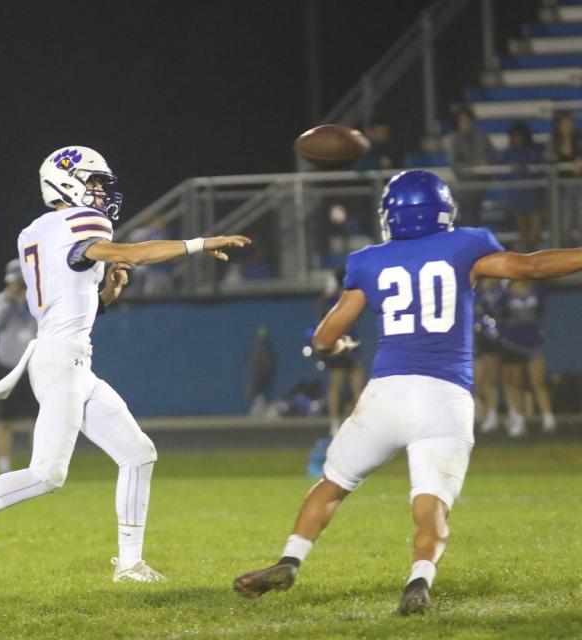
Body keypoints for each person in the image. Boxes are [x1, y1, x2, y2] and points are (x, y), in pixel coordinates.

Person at [232, 170, 582, 615]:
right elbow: (530, 267)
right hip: (445, 396)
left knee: (333, 484)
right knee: (430, 500)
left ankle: (290, 559)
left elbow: (324, 338)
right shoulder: (467, 245)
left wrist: (339, 345)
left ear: (391, 214)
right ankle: (419, 580)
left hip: (387, 395)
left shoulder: (369, 261)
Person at [0, 145, 249, 585]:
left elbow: (66, 301)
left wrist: (106, 296)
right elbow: (137, 253)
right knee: (47, 475)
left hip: (68, 358)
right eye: (94, 182)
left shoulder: (34, 231)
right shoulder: (80, 221)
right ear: (64, 181)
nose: (102, 192)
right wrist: (199, 243)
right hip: (59, 361)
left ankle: (129, 565)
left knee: (138, 453)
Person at [0, 258, 38, 473]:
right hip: (6, 367)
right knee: (3, 421)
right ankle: (3, 470)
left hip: (34, 367)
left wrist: (27, 298)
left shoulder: (38, 299)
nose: (14, 285)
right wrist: (11, 300)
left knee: (38, 420)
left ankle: (38, 469)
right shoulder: (1, 300)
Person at [497, 279, 556, 435]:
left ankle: (548, 418)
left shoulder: (536, 291)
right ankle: (520, 420)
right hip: (513, 343)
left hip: (533, 341)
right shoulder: (505, 294)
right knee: (517, 384)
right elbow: (499, 315)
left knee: (539, 381)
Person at [319, 269, 365, 436]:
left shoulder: (342, 297)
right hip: (340, 347)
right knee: (337, 386)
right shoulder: (333, 300)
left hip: (350, 345)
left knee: (356, 386)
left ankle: (357, 424)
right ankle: (335, 423)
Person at [443, 106, 496, 225]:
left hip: (482, 185)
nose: (465, 124)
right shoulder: (454, 140)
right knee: (468, 217)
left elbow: (493, 156)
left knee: (479, 218)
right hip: (465, 187)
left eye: (467, 120)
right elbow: (455, 165)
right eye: (462, 121)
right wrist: (475, 167)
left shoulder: (482, 137)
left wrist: (485, 169)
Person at [500, 120, 544, 250]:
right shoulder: (508, 152)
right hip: (518, 197)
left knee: (536, 231)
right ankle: (527, 259)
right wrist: (508, 169)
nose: (516, 138)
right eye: (514, 136)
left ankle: (534, 253)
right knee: (522, 231)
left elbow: (541, 169)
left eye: (519, 135)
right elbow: (499, 173)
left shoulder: (535, 150)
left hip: (535, 196)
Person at [545, 110, 582, 244]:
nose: (568, 125)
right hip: (561, 189)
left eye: (569, 122)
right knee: (565, 224)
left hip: (579, 185)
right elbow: (548, 158)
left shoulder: (579, 138)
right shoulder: (554, 141)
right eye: (564, 123)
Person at [473, 278, 505, 433]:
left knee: (492, 380)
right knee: (480, 382)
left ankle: (494, 415)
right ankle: (488, 414)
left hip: (498, 340)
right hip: (480, 341)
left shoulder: (500, 291)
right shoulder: (476, 291)